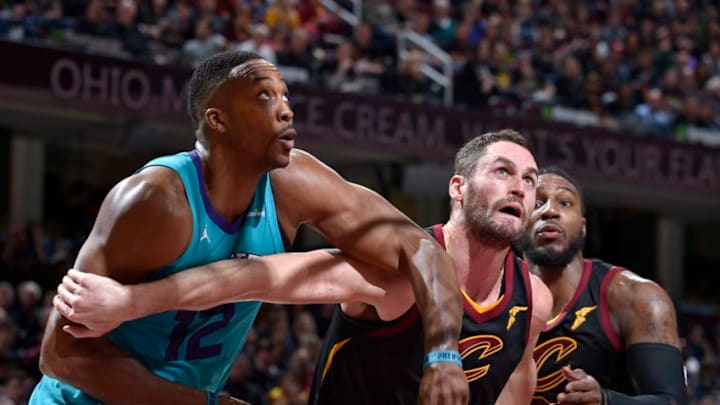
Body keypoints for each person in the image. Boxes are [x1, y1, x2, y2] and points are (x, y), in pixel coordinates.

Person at [31, 51, 467, 405]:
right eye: (264, 96)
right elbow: (60, 355)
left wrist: (443, 354)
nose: (286, 109)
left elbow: (419, 246)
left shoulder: (296, 183)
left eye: (284, 95)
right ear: (217, 120)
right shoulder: (155, 200)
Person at [54, 129, 553, 404]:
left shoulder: (534, 301)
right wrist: (132, 301)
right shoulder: (392, 270)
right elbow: (258, 275)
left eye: (531, 181)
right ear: (458, 189)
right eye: (503, 172)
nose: (519, 188)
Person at [516, 167, 687, 404]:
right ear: (517, 220)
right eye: (537, 203)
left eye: (565, 203)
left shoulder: (638, 297)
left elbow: (672, 402)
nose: (550, 211)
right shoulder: (495, 294)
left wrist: (605, 400)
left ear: (583, 226)